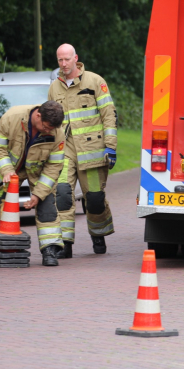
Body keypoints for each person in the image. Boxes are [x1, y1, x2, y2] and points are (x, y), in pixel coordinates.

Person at [49, 43, 117, 258]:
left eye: (67, 59)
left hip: (92, 150)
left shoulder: (95, 81)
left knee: (95, 199)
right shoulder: (54, 87)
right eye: (60, 60)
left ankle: (98, 235)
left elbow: (108, 115)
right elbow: (51, 123)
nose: (63, 64)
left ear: (75, 58)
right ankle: (65, 244)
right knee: (62, 195)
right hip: (65, 150)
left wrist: (111, 146)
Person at [0, 101, 67, 266]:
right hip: (7, 172)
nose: (49, 131)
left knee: (48, 208)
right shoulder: (12, 117)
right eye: (46, 126)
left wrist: (38, 194)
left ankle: (49, 250)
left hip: (37, 171)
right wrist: (7, 170)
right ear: (38, 115)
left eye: (52, 128)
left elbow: (54, 166)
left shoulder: (57, 132)